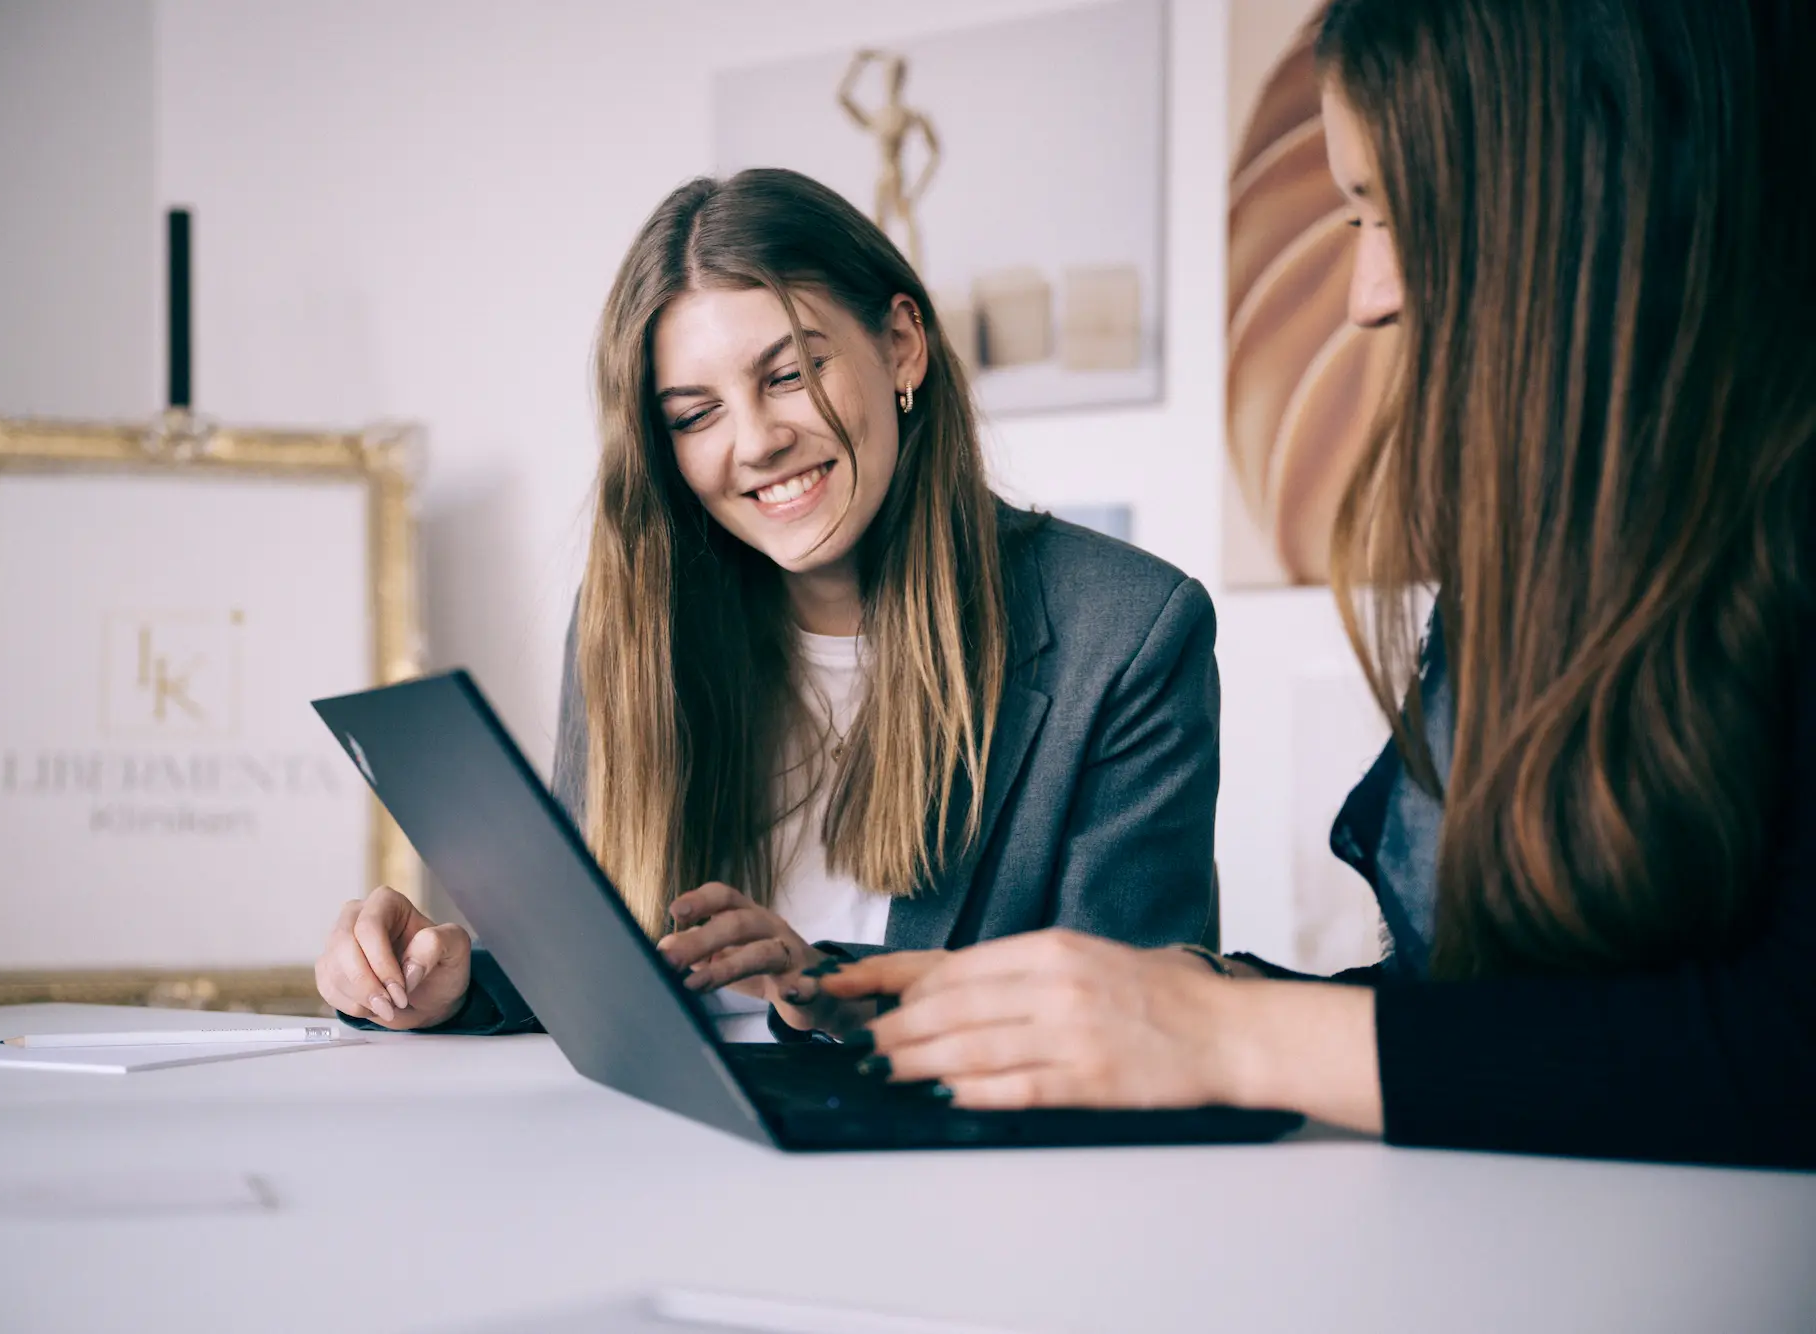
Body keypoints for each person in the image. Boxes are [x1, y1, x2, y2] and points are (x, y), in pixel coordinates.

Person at [821, 0, 1816, 1168]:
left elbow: (1772, 1043)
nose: (1365, 295)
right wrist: (1130, 1001)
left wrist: (1228, 1029)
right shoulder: (1572, 547)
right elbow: (1515, 1018)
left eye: (1389, 214)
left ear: (1601, 199)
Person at [314, 168, 1223, 1043]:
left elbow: (1137, 1020)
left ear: (902, 344)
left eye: (790, 374)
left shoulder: (1128, 631)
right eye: (695, 414)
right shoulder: (633, 623)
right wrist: (452, 978)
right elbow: (607, 964)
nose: (757, 442)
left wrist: (834, 989)